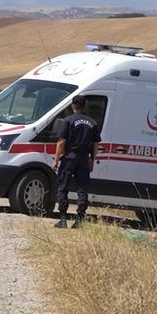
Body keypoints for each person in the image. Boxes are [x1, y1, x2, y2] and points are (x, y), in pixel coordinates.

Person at [52, 95, 101, 229]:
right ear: (84, 106)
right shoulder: (93, 123)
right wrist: (92, 160)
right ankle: (79, 220)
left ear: (73, 106)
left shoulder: (68, 121)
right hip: (84, 159)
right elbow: (96, 144)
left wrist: (56, 160)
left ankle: (63, 220)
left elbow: (61, 142)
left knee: (63, 188)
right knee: (82, 189)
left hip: (69, 158)